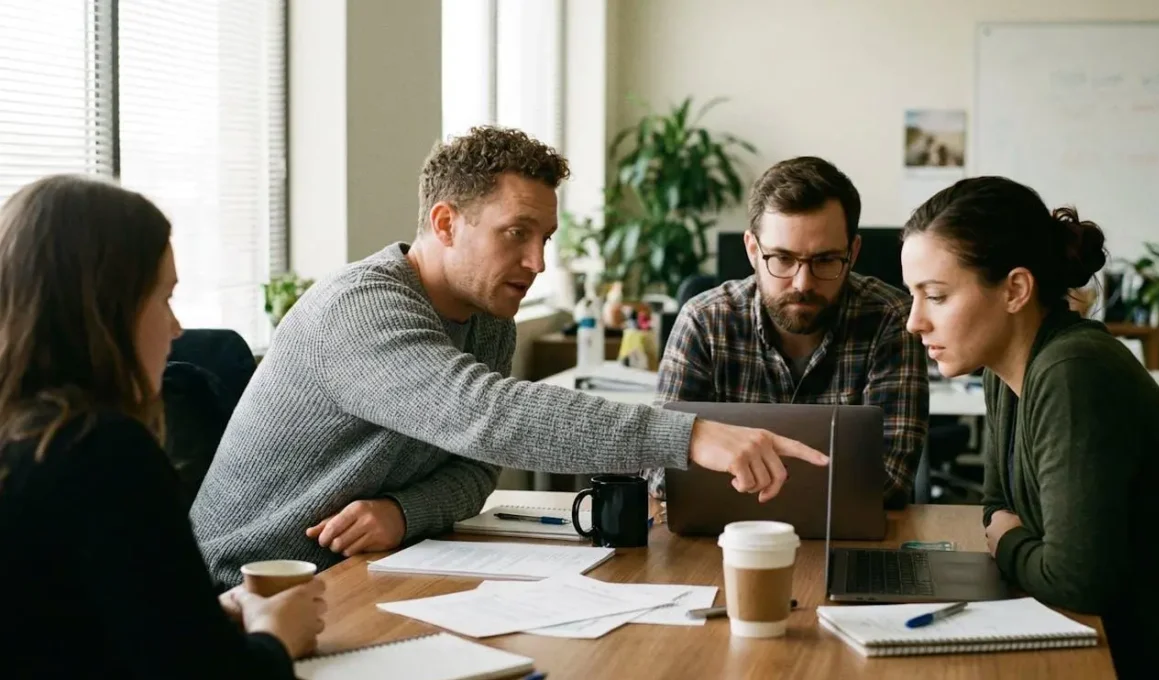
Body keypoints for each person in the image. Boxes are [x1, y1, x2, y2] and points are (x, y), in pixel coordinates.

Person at [191, 126, 827, 587]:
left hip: (355, 572)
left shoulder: (487, 318)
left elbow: (476, 468)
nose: (537, 263)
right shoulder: (361, 309)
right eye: (515, 233)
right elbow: (488, 415)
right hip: (241, 588)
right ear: (445, 223)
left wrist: (404, 511)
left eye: (544, 237)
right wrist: (691, 436)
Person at [900, 176, 1159, 678]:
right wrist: (1016, 538)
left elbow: (1075, 579)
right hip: (1108, 639)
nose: (914, 321)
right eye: (913, 296)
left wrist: (1012, 542)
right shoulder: (1005, 370)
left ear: (1015, 289)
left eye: (937, 296)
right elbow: (996, 508)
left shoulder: (1073, 369)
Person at [0, 175, 325, 677]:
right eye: (164, 297)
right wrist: (277, 636)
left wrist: (195, 615)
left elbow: (59, 625)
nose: (176, 328)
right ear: (107, 309)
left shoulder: (24, 437)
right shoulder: (101, 451)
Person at [645, 157, 928, 503]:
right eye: (782, 258)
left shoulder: (892, 319)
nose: (802, 283)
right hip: (722, 542)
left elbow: (891, 481)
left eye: (825, 260)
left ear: (852, 253)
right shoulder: (704, 321)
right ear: (752, 250)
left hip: (848, 543)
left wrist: (747, 475)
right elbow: (659, 470)